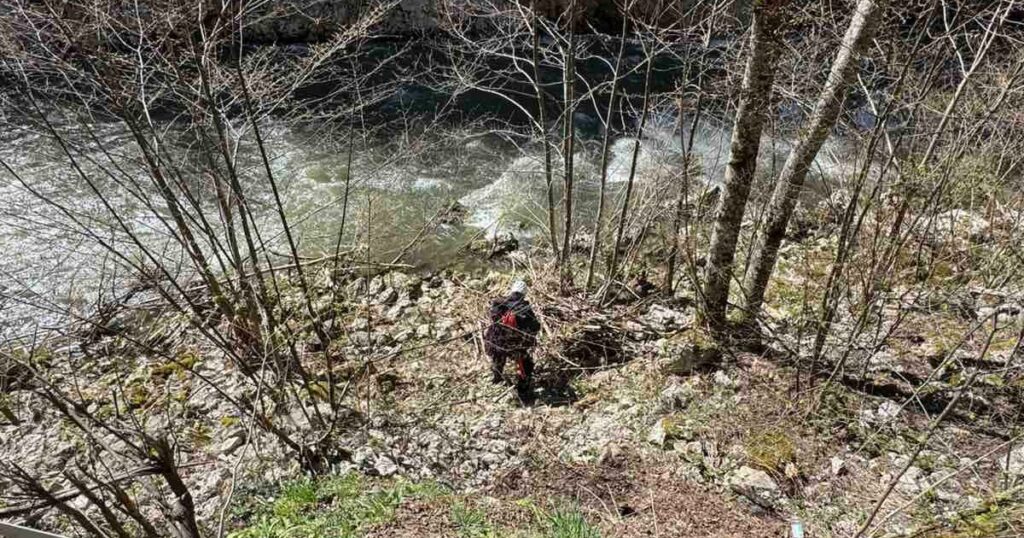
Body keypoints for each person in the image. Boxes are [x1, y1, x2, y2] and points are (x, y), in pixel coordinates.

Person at [483, 279, 541, 401]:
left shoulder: (499, 303)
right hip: (515, 345)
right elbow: (535, 326)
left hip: (497, 342)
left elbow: (493, 319)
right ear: (524, 293)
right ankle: (523, 391)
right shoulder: (524, 308)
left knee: (498, 359)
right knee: (526, 364)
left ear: (512, 291)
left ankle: (496, 378)